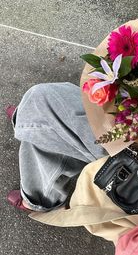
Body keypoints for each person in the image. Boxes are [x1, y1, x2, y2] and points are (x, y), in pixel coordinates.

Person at [6, 82, 107, 211]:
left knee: (42, 101)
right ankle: (28, 120)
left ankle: (39, 200)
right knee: (47, 104)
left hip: (131, 144)